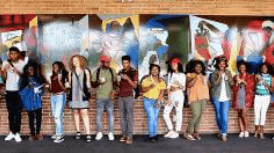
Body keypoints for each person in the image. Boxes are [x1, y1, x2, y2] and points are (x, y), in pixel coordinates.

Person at [2, 46, 28, 142]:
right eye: (11, 54)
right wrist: (4, 71)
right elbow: (4, 79)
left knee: (17, 113)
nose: (12, 55)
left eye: (14, 53)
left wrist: (17, 72)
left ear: (18, 54)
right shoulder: (5, 63)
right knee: (10, 113)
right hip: (9, 91)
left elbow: (25, 78)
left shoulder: (22, 63)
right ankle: (11, 132)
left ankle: (16, 133)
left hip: (19, 92)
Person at [92, 55, 117, 141]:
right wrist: (99, 82)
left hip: (110, 97)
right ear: (102, 62)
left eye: (109, 61)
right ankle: (99, 132)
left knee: (111, 115)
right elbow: (93, 84)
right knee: (99, 115)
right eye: (106, 62)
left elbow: (115, 83)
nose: (108, 63)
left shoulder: (112, 71)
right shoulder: (97, 71)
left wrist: (114, 91)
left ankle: (110, 132)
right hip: (100, 96)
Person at [184, 60, 210, 141]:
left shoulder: (204, 75)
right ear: (193, 67)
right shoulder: (189, 75)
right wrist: (196, 77)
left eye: (200, 66)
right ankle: (188, 132)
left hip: (203, 98)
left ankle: (196, 133)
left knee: (199, 116)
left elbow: (208, 86)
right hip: (194, 98)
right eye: (197, 66)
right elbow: (188, 85)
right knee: (196, 115)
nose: (199, 68)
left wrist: (206, 80)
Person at [68, 55, 92, 142]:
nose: (75, 62)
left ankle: (88, 133)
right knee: (75, 113)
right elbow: (70, 85)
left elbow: (88, 85)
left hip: (82, 95)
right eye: (73, 61)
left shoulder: (86, 71)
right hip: (74, 95)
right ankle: (78, 131)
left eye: (76, 60)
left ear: (80, 61)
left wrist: (89, 84)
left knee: (84, 113)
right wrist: (67, 84)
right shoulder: (70, 72)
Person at [210, 56, 233, 142]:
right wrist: (219, 77)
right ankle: (220, 130)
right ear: (218, 64)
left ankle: (224, 133)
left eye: (223, 63)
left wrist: (229, 78)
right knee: (218, 115)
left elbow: (231, 84)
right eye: (220, 63)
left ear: (225, 64)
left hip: (226, 97)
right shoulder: (213, 73)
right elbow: (214, 84)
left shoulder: (228, 72)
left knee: (225, 116)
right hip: (216, 96)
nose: (222, 65)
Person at [141, 64, 166, 142]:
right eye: (153, 69)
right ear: (150, 70)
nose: (155, 71)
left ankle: (154, 134)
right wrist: (150, 86)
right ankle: (151, 135)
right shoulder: (146, 79)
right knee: (151, 117)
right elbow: (143, 90)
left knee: (155, 118)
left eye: (156, 69)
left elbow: (162, 92)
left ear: (158, 71)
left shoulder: (161, 81)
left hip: (157, 101)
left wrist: (158, 101)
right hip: (148, 100)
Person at [19, 63, 44, 141]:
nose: (31, 71)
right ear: (26, 70)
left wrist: (39, 91)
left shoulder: (38, 79)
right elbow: (20, 92)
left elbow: (42, 91)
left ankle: (38, 133)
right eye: (30, 69)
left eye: (33, 69)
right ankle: (32, 133)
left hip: (37, 102)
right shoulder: (23, 80)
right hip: (29, 103)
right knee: (31, 119)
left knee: (39, 118)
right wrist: (28, 87)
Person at [163, 58, 186, 139]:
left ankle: (177, 131)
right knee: (165, 113)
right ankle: (170, 129)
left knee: (178, 112)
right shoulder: (170, 74)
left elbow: (183, 87)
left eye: (175, 64)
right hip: (171, 96)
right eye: (172, 64)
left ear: (178, 65)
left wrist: (175, 87)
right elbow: (168, 87)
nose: (173, 66)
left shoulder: (182, 75)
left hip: (179, 96)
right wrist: (168, 98)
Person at [117, 55, 138, 145]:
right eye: (123, 63)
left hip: (129, 95)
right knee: (122, 116)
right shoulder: (120, 72)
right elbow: (118, 85)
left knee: (130, 116)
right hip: (120, 96)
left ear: (129, 63)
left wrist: (128, 78)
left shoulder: (134, 72)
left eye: (126, 63)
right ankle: (124, 135)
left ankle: (130, 136)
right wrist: (117, 81)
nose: (124, 65)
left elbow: (135, 86)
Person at [232, 60, 255, 138]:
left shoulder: (250, 76)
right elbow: (234, 89)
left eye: (243, 67)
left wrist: (245, 83)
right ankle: (241, 130)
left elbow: (251, 88)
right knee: (239, 115)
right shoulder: (237, 76)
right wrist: (236, 83)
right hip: (238, 97)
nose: (242, 68)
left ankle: (246, 130)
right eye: (240, 67)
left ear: (246, 68)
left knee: (244, 114)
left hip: (246, 98)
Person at [49, 61, 68, 143]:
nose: (54, 68)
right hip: (53, 96)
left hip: (60, 96)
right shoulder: (52, 76)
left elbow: (65, 89)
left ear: (60, 68)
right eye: (53, 67)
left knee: (57, 116)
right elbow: (50, 89)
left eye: (56, 67)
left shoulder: (63, 76)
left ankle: (60, 135)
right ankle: (58, 133)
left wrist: (60, 81)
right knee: (55, 116)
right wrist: (50, 84)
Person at [254, 63, 273, 139]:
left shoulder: (271, 77)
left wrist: (267, 86)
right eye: (262, 67)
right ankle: (256, 131)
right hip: (258, 96)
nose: (264, 68)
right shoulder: (257, 76)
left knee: (263, 114)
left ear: (268, 68)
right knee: (256, 114)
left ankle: (261, 131)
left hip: (266, 97)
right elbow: (254, 87)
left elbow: (272, 90)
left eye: (265, 67)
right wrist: (257, 82)